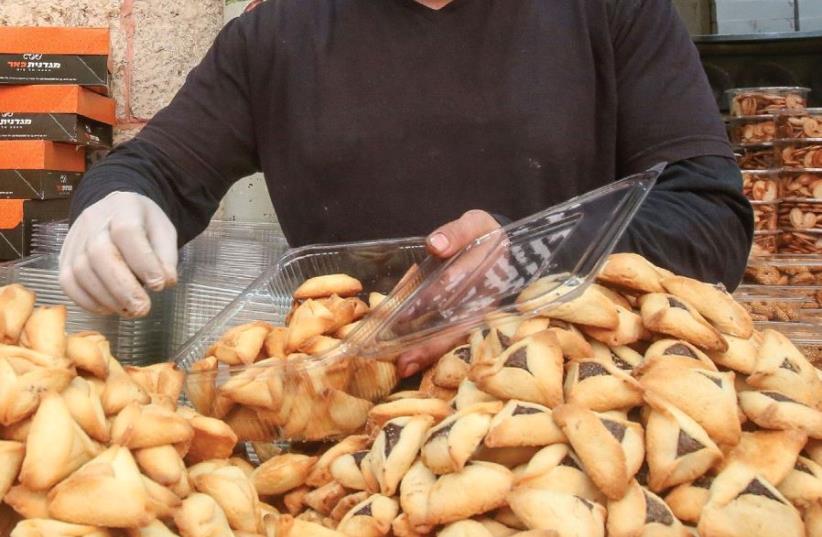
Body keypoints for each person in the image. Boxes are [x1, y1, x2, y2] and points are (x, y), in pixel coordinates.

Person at [59, 0, 753, 377]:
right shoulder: (275, 36)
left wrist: (527, 257)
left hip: (572, 412)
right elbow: (150, 169)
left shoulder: (616, 14)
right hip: (352, 432)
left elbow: (711, 222)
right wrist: (115, 202)